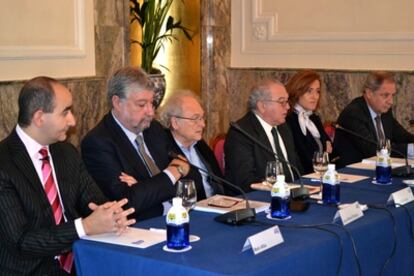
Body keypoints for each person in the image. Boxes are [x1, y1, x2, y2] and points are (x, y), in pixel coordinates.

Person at [0, 77, 135, 275]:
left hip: (81, 260)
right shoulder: (4, 163)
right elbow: (21, 242)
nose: (73, 121)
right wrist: (85, 226)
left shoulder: (66, 153)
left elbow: (94, 201)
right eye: (65, 112)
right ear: (39, 117)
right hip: (29, 270)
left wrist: (111, 214)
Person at [81, 67, 190, 221]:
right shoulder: (98, 143)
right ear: (117, 103)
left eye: (151, 103)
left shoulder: (154, 129)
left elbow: (188, 174)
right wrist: (172, 173)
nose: (151, 112)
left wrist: (142, 185)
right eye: (141, 104)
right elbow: (126, 202)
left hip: (178, 216)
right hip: (142, 228)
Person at [224, 79, 303, 193]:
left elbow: (295, 166)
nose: (288, 107)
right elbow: (245, 180)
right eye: (282, 102)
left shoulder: (283, 127)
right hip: (260, 199)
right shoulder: (241, 133)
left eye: (287, 101)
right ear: (262, 106)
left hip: (292, 194)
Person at [334, 71, 414, 167]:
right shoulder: (353, 114)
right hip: (353, 174)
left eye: (392, 95)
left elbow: (403, 137)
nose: (391, 101)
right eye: (385, 95)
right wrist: (410, 149)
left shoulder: (384, 111)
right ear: (369, 93)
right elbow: (372, 150)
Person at [158, 90, 225, 200]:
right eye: (195, 119)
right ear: (175, 122)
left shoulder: (200, 145)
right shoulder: (164, 151)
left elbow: (220, 183)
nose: (202, 125)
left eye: (202, 118)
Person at [285, 70, 333, 174]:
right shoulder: (289, 120)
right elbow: (302, 156)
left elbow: (329, 147)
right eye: (309, 91)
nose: (315, 96)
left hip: (320, 173)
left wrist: (327, 144)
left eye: (317, 91)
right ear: (297, 92)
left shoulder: (314, 118)